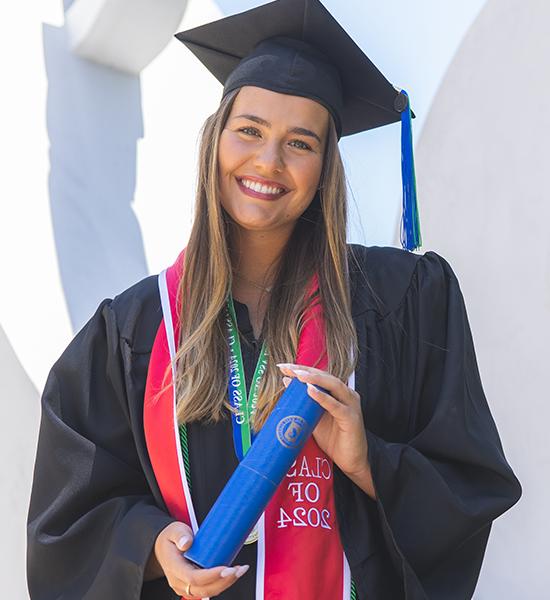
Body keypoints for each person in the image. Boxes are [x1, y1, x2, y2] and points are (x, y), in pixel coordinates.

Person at [26, 1, 521, 598]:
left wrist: (368, 460)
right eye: (250, 131)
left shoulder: (404, 300)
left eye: (300, 143)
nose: (268, 162)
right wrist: (154, 545)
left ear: (325, 169)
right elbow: (67, 523)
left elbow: (471, 486)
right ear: (215, 142)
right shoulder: (136, 329)